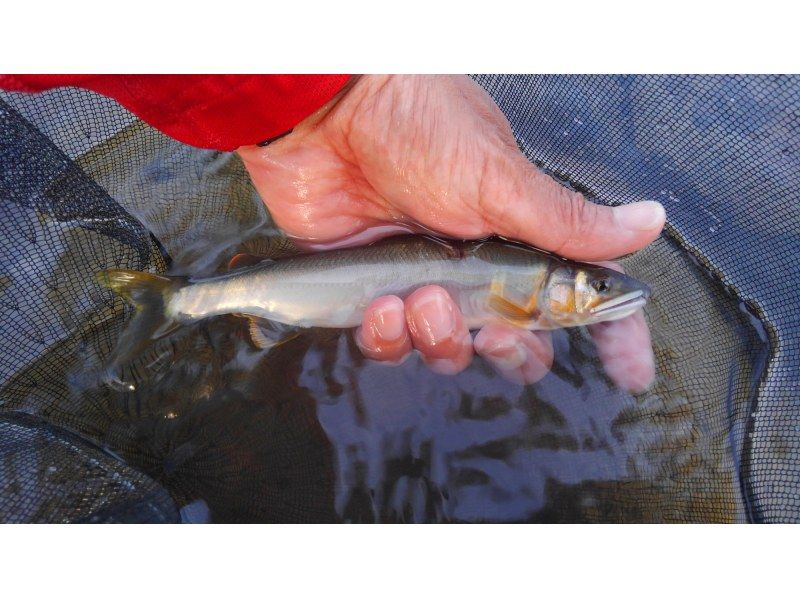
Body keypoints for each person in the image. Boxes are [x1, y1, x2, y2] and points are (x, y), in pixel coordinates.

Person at [0, 74, 664, 390]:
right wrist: (350, 91)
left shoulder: (529, 290)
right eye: (599, 286)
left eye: (600, 288)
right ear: (563, 286)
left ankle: (174, 300)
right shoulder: (527, 298)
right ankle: (172, 300)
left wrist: (335, 90)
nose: (608, 292)